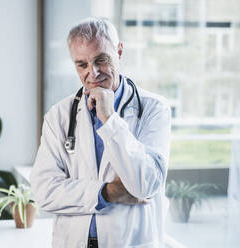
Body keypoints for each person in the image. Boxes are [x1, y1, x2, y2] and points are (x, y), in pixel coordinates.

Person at [30, 17, 171, 248]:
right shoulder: (59, 115)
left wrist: (110, 119)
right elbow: (43, 191)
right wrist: (107, 192)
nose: (93, 73)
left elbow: (146, 185)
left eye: (101, 60)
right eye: (82, 65)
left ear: (119, 52)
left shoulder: (153, 109)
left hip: (128, 242)